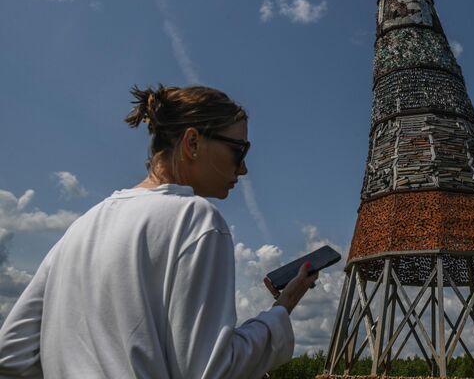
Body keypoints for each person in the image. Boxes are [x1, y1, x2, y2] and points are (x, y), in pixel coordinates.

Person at [0, 85, 317, 378]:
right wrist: (280, 311)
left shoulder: (79, 228)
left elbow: (11, 353)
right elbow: (211, 370)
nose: (243, 168)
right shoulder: (195, 219)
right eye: (239, 149)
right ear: (192, 142)